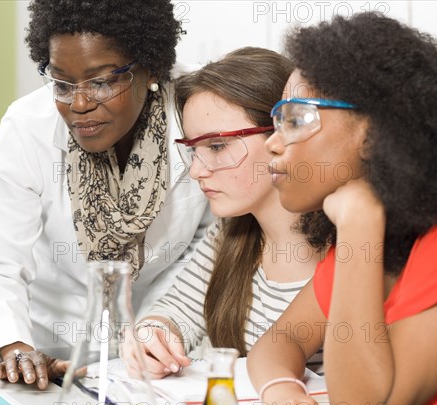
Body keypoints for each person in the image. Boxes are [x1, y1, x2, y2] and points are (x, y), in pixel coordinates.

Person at [0, 0, 213, 390]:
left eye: (101, 81)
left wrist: (162, 323)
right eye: (62, 84)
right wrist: (14, 350)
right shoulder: (28, 128)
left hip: (156, 361)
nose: (78, 104)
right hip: (51, 360)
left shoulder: (199, 113)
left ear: (151, 67)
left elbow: (212, 242)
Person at [247, 12, 437, 405]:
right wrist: (284, 390)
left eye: (297, 117)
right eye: (276, 117)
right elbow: (281, 339)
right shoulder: (384, 239)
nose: (272, 140)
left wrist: (359, 222)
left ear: (375, 135)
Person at [122, 47, 325, 379]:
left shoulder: (351, 247)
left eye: (217, 147)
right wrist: (152, 334)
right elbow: (176, 312)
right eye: (193, 151)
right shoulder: (230, 233)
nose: (197, 172)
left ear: (284, 134)